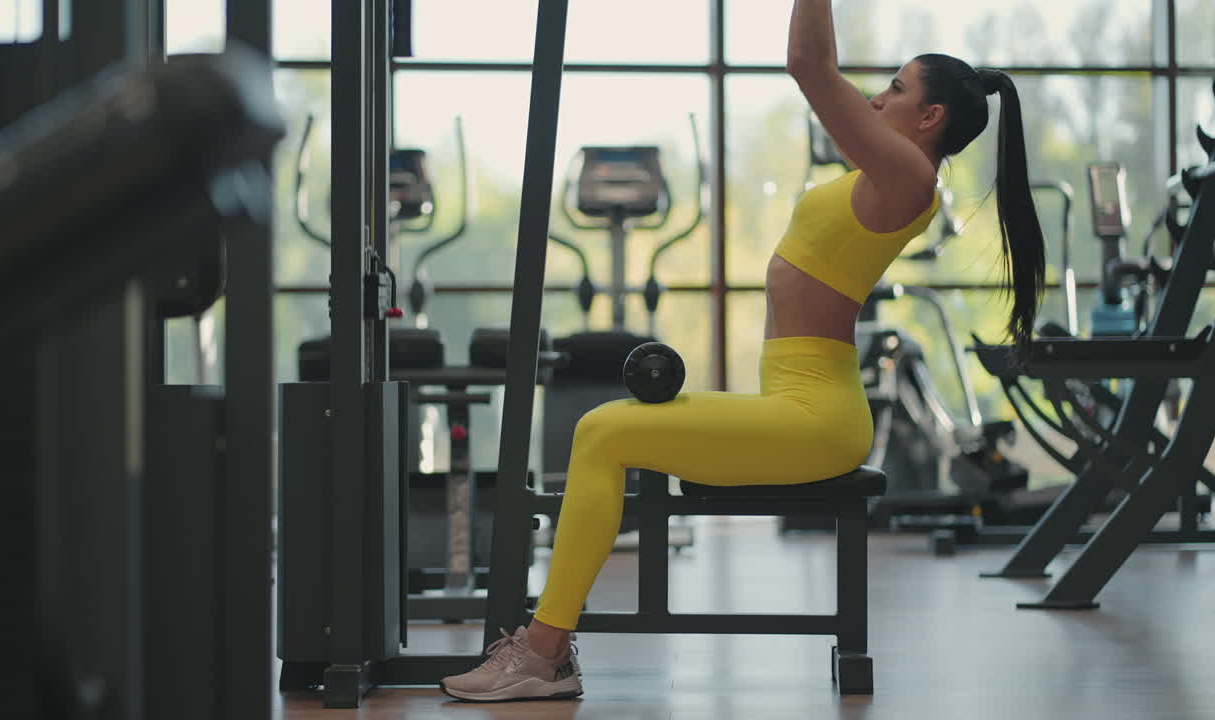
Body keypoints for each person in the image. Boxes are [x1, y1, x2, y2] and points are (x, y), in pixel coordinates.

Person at [441, 0, 1045, 702]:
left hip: (817, 419)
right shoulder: (885, 176)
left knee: (603, 432)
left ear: (931, 117)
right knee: (604, 430)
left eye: (897, 89)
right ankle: (546, 652)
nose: (878, 98)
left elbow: (809, 65)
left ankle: (543, 655)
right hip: (794, 403)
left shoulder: (909, 179)